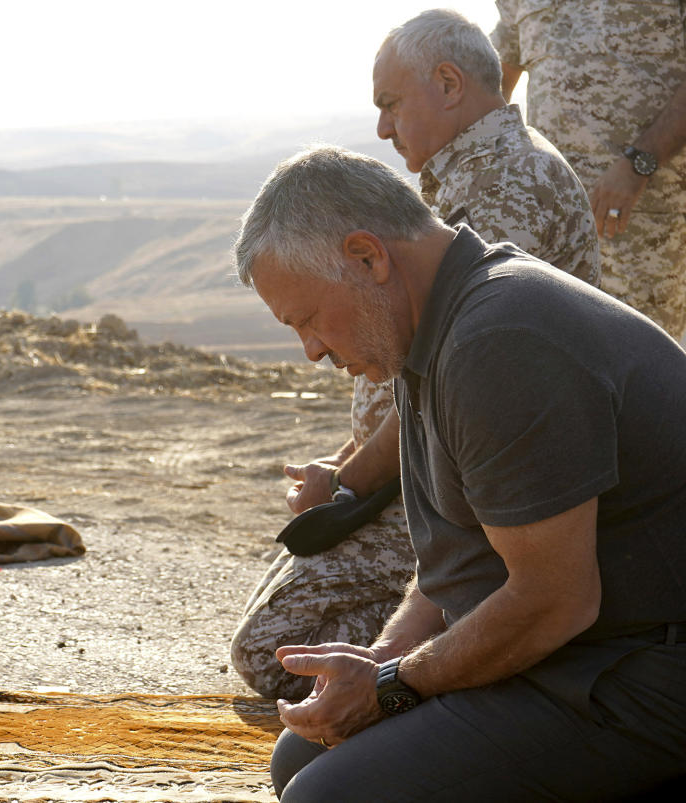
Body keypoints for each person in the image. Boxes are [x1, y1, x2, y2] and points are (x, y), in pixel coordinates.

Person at [234, 144, 686, 801]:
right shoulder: (436, 322)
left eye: (307, 319)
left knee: (325, 795)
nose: (311, 350)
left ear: (367, 256)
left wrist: (394, 687)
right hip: (582, 647)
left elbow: (555, 598)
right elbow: (460, 554)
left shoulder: (497, 339)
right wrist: (383, 660)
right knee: (298, 756)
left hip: (639, 669)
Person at [230, 8, 600, 701]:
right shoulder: (462, 183)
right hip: (418, 467)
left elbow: (452, 373)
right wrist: (346, 468)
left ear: (450, 84)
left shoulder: (504, 189)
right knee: (285, 603)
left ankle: (468, 658)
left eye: (390, 103)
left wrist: (350, 486)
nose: (382, 127)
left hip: (467, 478)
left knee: (270, 649)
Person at [492, 0, 686, 339]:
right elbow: (494, 79)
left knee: (640, 367)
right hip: (547, 224)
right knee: (556, 364)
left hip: (638, 225)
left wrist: (641, 162)